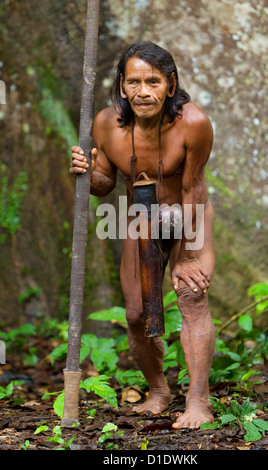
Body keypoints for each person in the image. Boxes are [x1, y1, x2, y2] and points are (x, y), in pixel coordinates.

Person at [70, 41, 215, 429]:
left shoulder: (193, 123)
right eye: (133, 81)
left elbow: (193, 190)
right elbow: (104, 184)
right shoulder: (105, 124)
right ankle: (158, 391)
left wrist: (186, 256)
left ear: (170, 85)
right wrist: (87, 171)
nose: (143, 91)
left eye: (153, 81)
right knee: (136, 313)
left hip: (189, 214)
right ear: (121, 86)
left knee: (191, 295)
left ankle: (198, 402)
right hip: (140, 218)